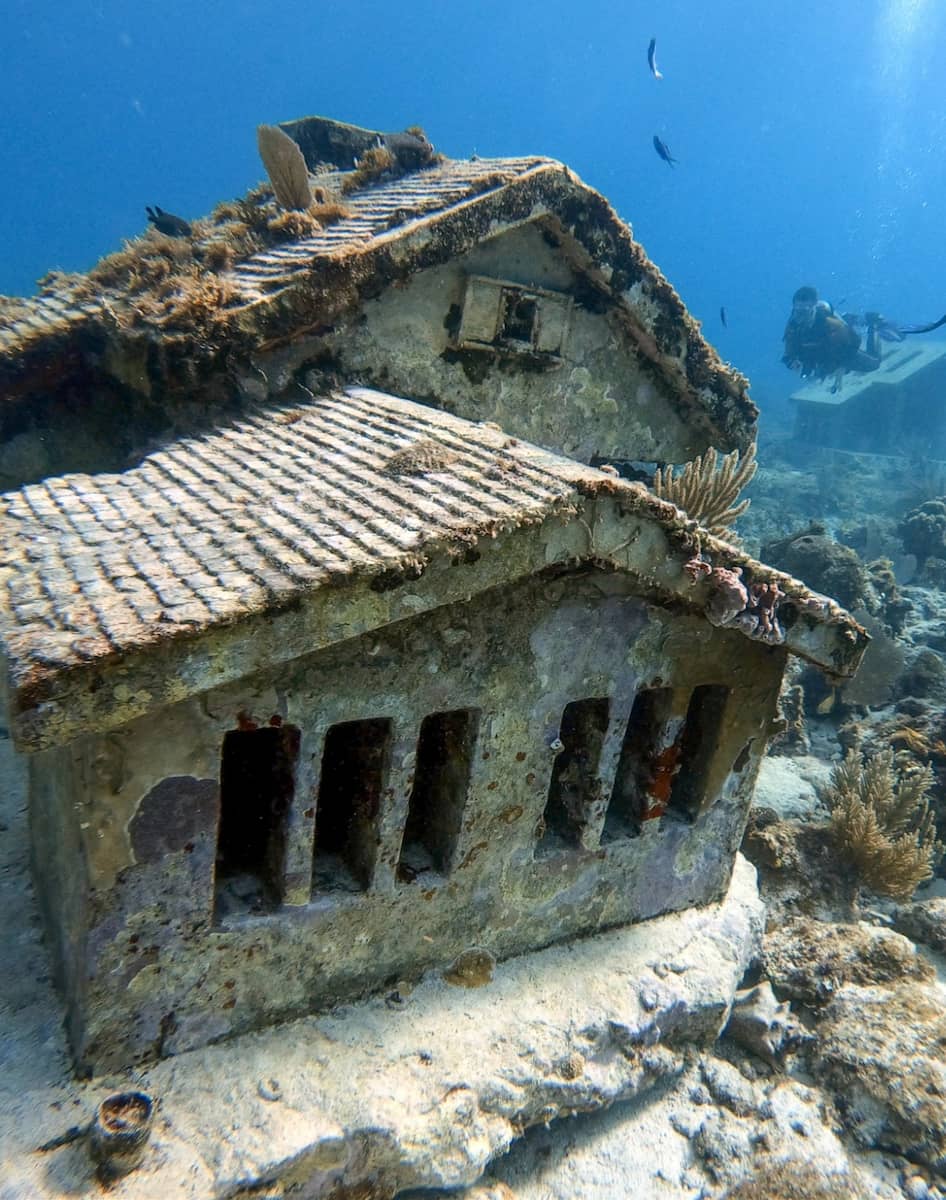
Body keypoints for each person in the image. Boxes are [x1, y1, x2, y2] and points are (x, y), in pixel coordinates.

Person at [782, 285, 881, 392]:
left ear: (814, 308)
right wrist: (792, 362)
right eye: (798, 312)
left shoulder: (831, 325)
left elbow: (854, 343)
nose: (800, 317)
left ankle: (873, 323)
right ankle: (848, 317)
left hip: (841, 352)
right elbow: (789, 352)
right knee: (813, 373)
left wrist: (841, 367)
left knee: (874, 364)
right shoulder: (793, 326)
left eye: (805, 312)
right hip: (821, 354)